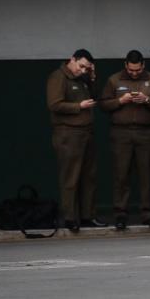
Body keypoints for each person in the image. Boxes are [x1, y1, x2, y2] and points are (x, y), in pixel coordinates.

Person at [99, 50, 150, 232]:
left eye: (137, 70)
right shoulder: (114, 80)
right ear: (125, 65)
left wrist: (147, 100)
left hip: (146, 132)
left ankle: (149, 214)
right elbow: (103, 104)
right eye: (131, 69)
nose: (134, 73)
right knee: (121, 175)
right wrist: (120, 101)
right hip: (121, 132)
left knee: (146, 175)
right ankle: (120, 214)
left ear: (143, 65)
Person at [46, 49, 106, 233]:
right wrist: (78, 106)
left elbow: (96, 96)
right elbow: (54, 104)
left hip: (86, 132)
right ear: (72, 60)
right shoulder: (59, 77)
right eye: (81, 66)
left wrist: (92, 76)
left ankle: (88, 215)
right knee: (70, 177)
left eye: (86, 68)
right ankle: (70, 217)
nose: (82, 70)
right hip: (68, 133)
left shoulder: (84, 78)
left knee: (89, 176)